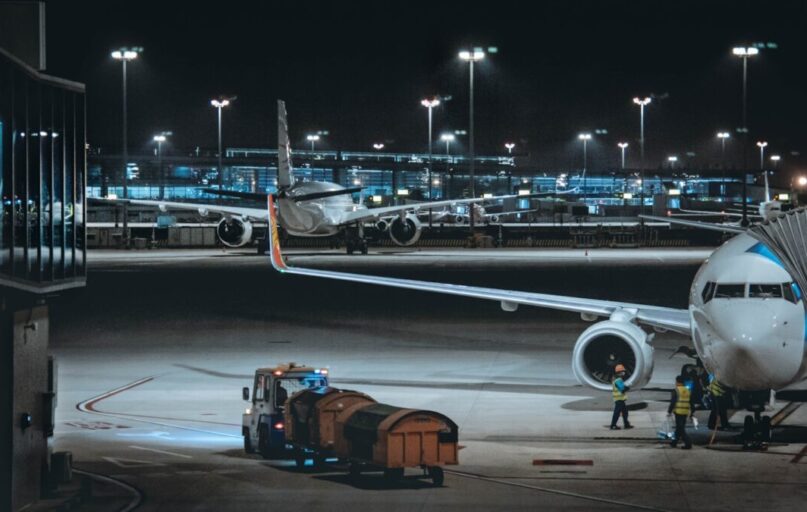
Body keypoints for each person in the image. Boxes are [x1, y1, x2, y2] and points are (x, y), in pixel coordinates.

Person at [668, 375, 694, 449]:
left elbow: (673, 402)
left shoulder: (676, 390)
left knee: (681, 429)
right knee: (679, 428)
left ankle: (688, 443)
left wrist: (669, 411)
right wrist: (692, 412)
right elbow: (691, 402)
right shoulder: (688, 390)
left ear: (677, 382)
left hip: (678, 412)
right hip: (685, 412)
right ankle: (674, 442)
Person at [610, 364, 633, 430]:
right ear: (619, 372)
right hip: (619, 399)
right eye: (622, 371)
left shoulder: (617, 379)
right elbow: (622, 389)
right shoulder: (618, 380)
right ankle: (613, 425)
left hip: (620, 399)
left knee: (625, 412)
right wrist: (628, 387)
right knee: (617, 412)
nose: (624, 372)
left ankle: (626, 424)